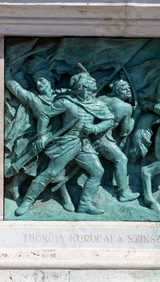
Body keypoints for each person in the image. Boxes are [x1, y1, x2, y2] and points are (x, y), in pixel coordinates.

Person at [14, 71, 114, 217]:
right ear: (82, 87)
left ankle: (84, 205)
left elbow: (109, 120)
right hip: (68, 142)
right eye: (88, 85)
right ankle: (27, 201)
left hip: (84, 143)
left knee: (97, 171)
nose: (91, 87)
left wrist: (95, 128)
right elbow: (45, 114)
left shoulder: (97, 104)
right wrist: (41, 135)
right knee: (51, 173)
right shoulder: (66, 102)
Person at [93, 79, 139, 203]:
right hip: (102, 138)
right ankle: (124, 193)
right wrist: (133, 119)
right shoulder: (126, 107)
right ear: (117, 90)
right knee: (121, 159)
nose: (128, 90)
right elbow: (124, 132)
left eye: (129, 88)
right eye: (125, 88)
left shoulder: (102, 98)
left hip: (90, 135)